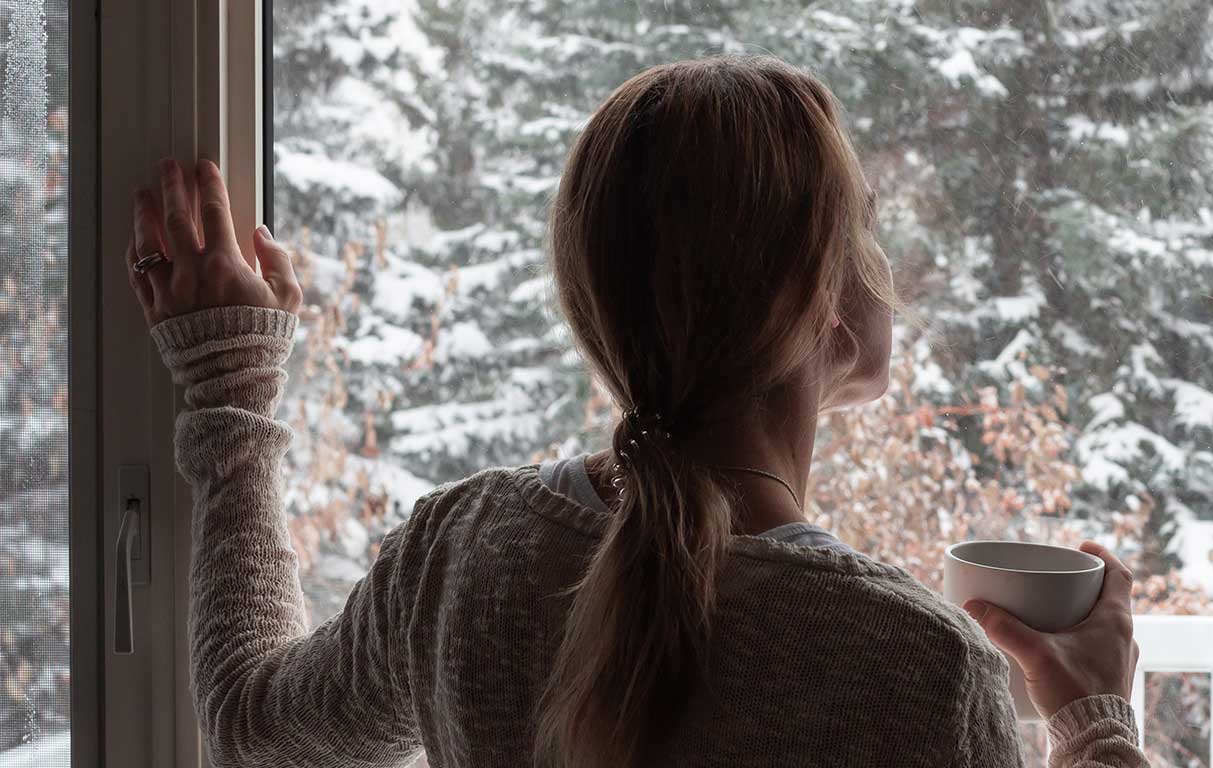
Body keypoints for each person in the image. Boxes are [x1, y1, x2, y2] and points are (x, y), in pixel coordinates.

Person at [124, 56, 1150, 767]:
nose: (889, 265)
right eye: (865, 228)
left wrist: (232, 391)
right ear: (812, 302)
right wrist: (1095, 717)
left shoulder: (463, 552)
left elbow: (253, 726)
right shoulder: (912, 665)